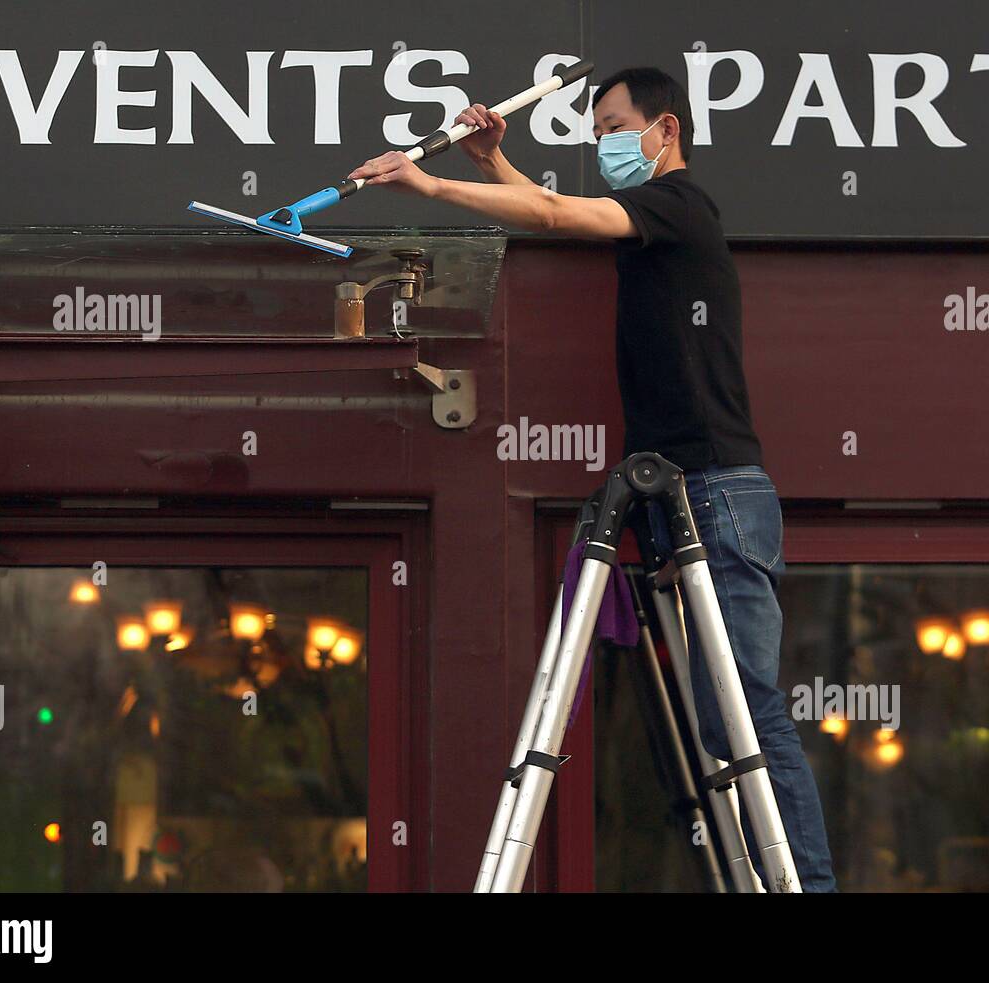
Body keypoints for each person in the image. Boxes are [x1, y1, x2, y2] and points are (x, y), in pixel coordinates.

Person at [349, 66, 837, 893]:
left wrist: (428, 180)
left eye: (615, 127)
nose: (604, 143)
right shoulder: (654, 222)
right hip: (696, 491)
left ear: (665, 131)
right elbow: (555, 213)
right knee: (724, 721)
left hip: (716, 490)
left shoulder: (680, 207)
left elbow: (551, 212)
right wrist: (491, 164)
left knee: (746, 716)